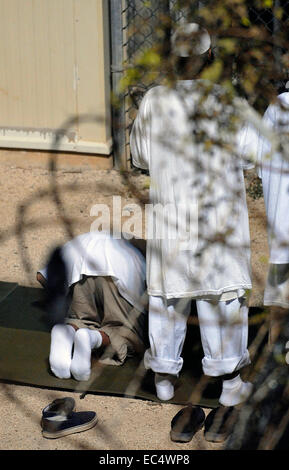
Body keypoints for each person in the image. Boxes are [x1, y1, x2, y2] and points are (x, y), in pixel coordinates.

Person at [130, 22, 254, 434]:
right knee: (220, 296)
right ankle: (231, 382)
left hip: (173, 219)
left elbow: (141, 156)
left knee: (168, 294)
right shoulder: (228, 102)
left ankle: (164, 377)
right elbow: (252, 154)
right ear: (210, 58)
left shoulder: (153, 101)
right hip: (217, 222)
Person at [37, 231, 148, 381]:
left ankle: (70, 330)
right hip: (119, 272)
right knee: (126, 332)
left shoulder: (80, 240)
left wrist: (66, 296)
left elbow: (42, 277)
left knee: (81, 318)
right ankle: (92, 339)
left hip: (79, 266)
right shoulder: (141, 247)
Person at [257, 91, 289, 342]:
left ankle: (274, 351)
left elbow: (260, 166)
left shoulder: (277, 107)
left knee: (279, 291)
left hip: (281, 225)